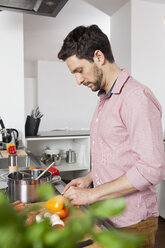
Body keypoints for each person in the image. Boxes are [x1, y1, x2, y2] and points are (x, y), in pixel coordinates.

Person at [58, 25, 165, 247]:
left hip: (133, 223)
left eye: (79, 70)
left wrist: (92, 194)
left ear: (99, 56)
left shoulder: (136, 98)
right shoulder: (105, 98)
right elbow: (113, 154)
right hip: (106, 215)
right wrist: (89, 177)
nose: (78, 80)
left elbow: (151, 168)